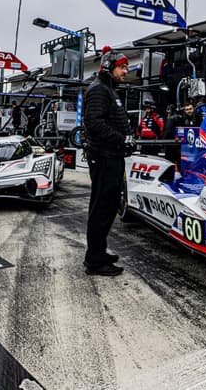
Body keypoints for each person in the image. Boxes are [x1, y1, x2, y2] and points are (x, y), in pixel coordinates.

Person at [82, 48, 133, 277]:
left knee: (109, 207)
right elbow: (95, 123)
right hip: (104, 158)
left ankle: (99, 252)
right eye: (122, 67)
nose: (125, 71)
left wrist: (126, 140)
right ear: (109, 67)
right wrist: (122, 139)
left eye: (126, 67)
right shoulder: (99, 90)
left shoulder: (109, 89)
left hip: (112, 156)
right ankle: (94, 261)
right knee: (101, 208)